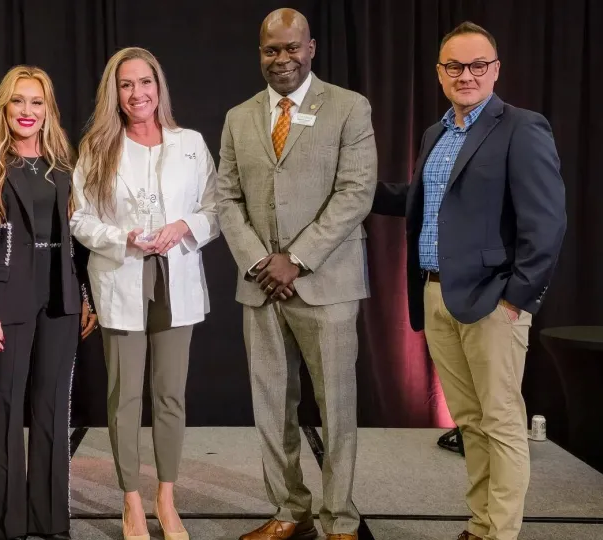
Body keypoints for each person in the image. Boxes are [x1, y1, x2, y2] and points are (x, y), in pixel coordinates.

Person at [371, 21, 566, 540]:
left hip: (493, 302)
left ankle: (500, 533)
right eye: (454, 66)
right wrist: (354, 190)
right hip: (437, 294)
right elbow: (421, 200)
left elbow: (546, 225)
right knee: (471, 423)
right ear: (439, 73)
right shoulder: (436, 133)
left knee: (501, 424)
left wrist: (516, 300)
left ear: (496, 70)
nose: (466, 74)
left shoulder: (522, 127)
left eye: (478, 65)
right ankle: (481, 526)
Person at [216, 8, 378, 540]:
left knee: (336, 408)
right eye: (271, 50)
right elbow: (225, 196)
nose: (281, 59)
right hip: (261, 286)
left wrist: (299, 258)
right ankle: (290, 512)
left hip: (327, 284)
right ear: (259, 53)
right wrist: (262, 262)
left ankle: (340, 520)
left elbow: (356, 192)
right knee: (271, 409)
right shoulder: (239, 117)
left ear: (311, 48)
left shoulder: (350, 108)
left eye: (291, 48)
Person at [70, 47, 219, 540]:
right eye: (126, 85)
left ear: (160, 87)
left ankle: (166, 499)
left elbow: (217, 209)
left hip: (176, 281)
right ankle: (131, 500)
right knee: (125, 397)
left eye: (145, 82)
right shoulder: (96, 147)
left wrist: (184, 225)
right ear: (114, 93)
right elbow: (79, 219)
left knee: (170, 395)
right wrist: (123, 237)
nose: (138, 94)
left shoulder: (191, 143)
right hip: (123, 278)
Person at [0, 65, 97, 540]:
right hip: (7, 299)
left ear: (48, 110)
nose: (27, 111)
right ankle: (4, 525)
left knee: (53, 410)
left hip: (60, 298)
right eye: (18, 101)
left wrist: (87, 296)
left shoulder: (66, 165)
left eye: (36, 102)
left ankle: (49, 520)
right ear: (4, 107)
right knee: (4, 407)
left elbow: (81, 241)